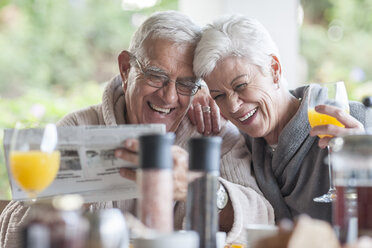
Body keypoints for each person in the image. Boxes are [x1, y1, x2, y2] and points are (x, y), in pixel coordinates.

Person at [0, 11, 274, 247]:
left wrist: (200, 188)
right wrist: (71, 201)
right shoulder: (78, 128)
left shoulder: (211, 132)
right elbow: (10, 231)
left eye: (185, 84)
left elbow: (263, 218)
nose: (168, 97)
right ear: (125, 68)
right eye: (156, 76)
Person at [193, 15, 371, 223]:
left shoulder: (355, 124)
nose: (232, 106)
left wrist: (365, 170)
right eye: (219, 96)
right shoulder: (239, 146)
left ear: (274, 70)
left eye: (241, 86)